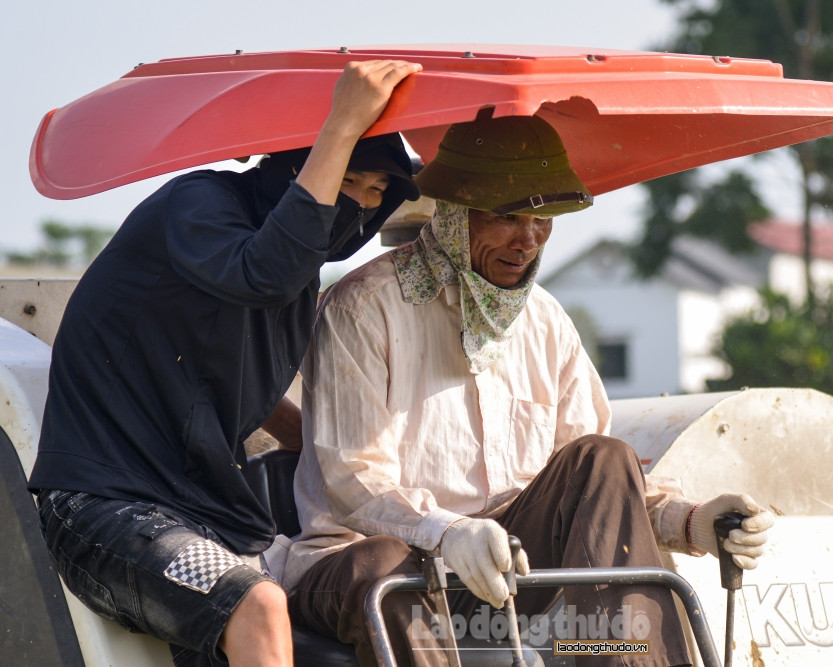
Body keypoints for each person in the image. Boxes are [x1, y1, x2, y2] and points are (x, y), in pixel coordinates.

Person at [284, 113, 774, 666]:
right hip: (365, 564)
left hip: (506, 572)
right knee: (385, 567)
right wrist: (447, 534)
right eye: (507, 215)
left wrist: (693, 522)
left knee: (603, 458)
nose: (528, 239)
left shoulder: (545, 319)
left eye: (543, 218)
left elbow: (603, 485)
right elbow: (355, 481)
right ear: (453, 215)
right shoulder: (363, 306)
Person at [27, 59, 423, 667]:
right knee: (257, 604)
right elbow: (264, 271)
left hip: (208, 512)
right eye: (350, 180)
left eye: (376, 196)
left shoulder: (294, 278)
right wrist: (342, 123)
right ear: (300, 167)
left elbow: (237, 386)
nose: (360, 208)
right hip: (101, 508)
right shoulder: (200, 206)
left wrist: (323, 444)